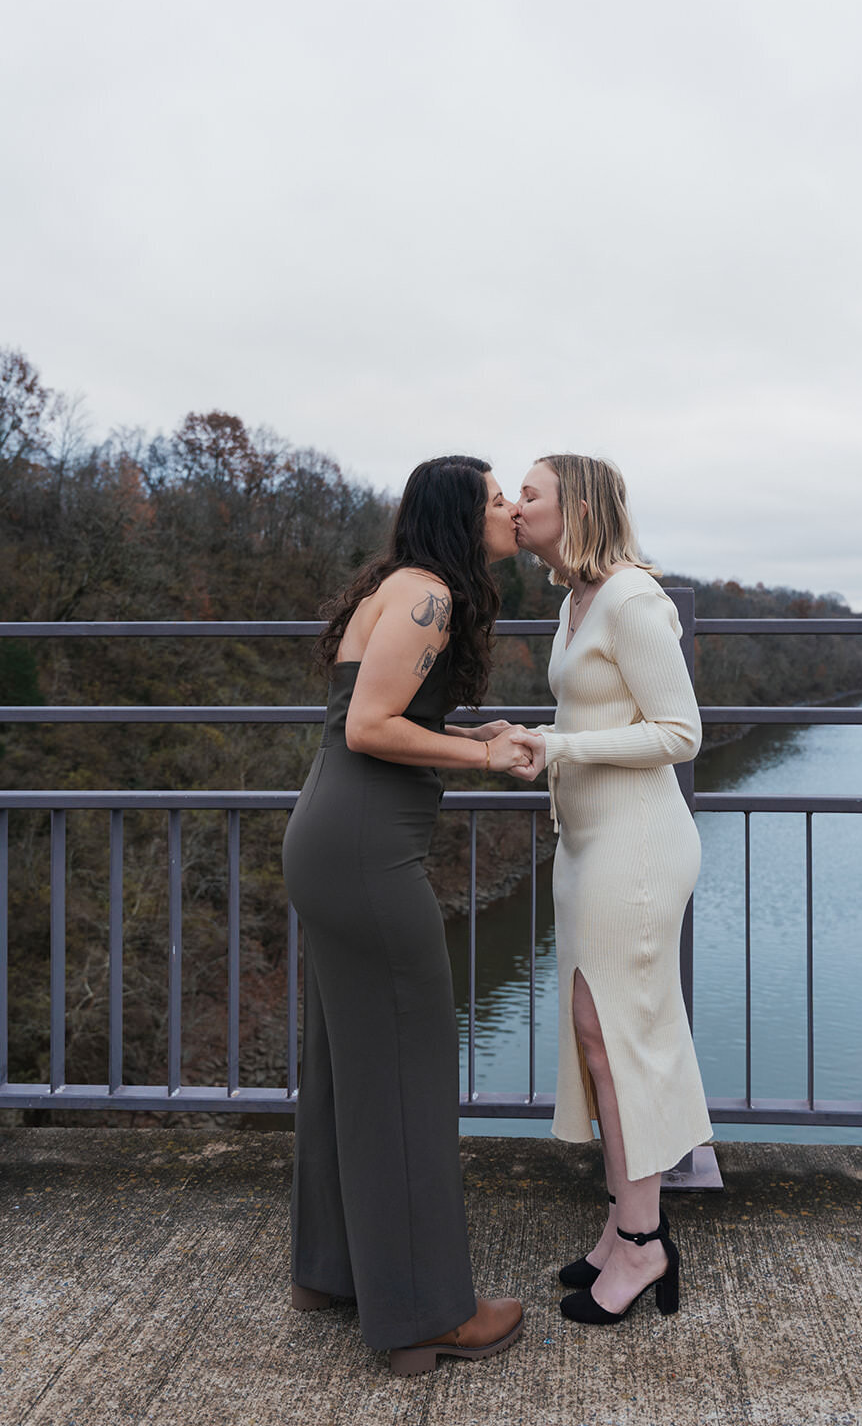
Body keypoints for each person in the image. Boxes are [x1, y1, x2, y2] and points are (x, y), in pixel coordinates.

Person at [283, 455, 530, 1374]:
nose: (508, 508)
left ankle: (333, 1272)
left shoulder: (401, 586)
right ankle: (426, 1314)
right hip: (364, 851)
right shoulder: (429, 594)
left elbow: (384, 714)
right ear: (460, 515)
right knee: (407, 1072)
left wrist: (475, 732)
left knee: (349, 1068)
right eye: (496, 496)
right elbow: (370, 728)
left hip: (336, 838)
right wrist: (489, 762)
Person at [511, 453, 711, 1325]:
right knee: (602, 1038)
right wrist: (536, 739)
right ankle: (623, 1226)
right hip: (588, 842)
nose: (514, 507)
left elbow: (679, 732)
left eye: (530, 495)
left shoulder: (631, 598)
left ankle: (641, 1245)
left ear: (577, 507)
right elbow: (590, 720)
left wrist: (560, 749)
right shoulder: (574, 600)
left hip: (635, 846)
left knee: (616, 1039)